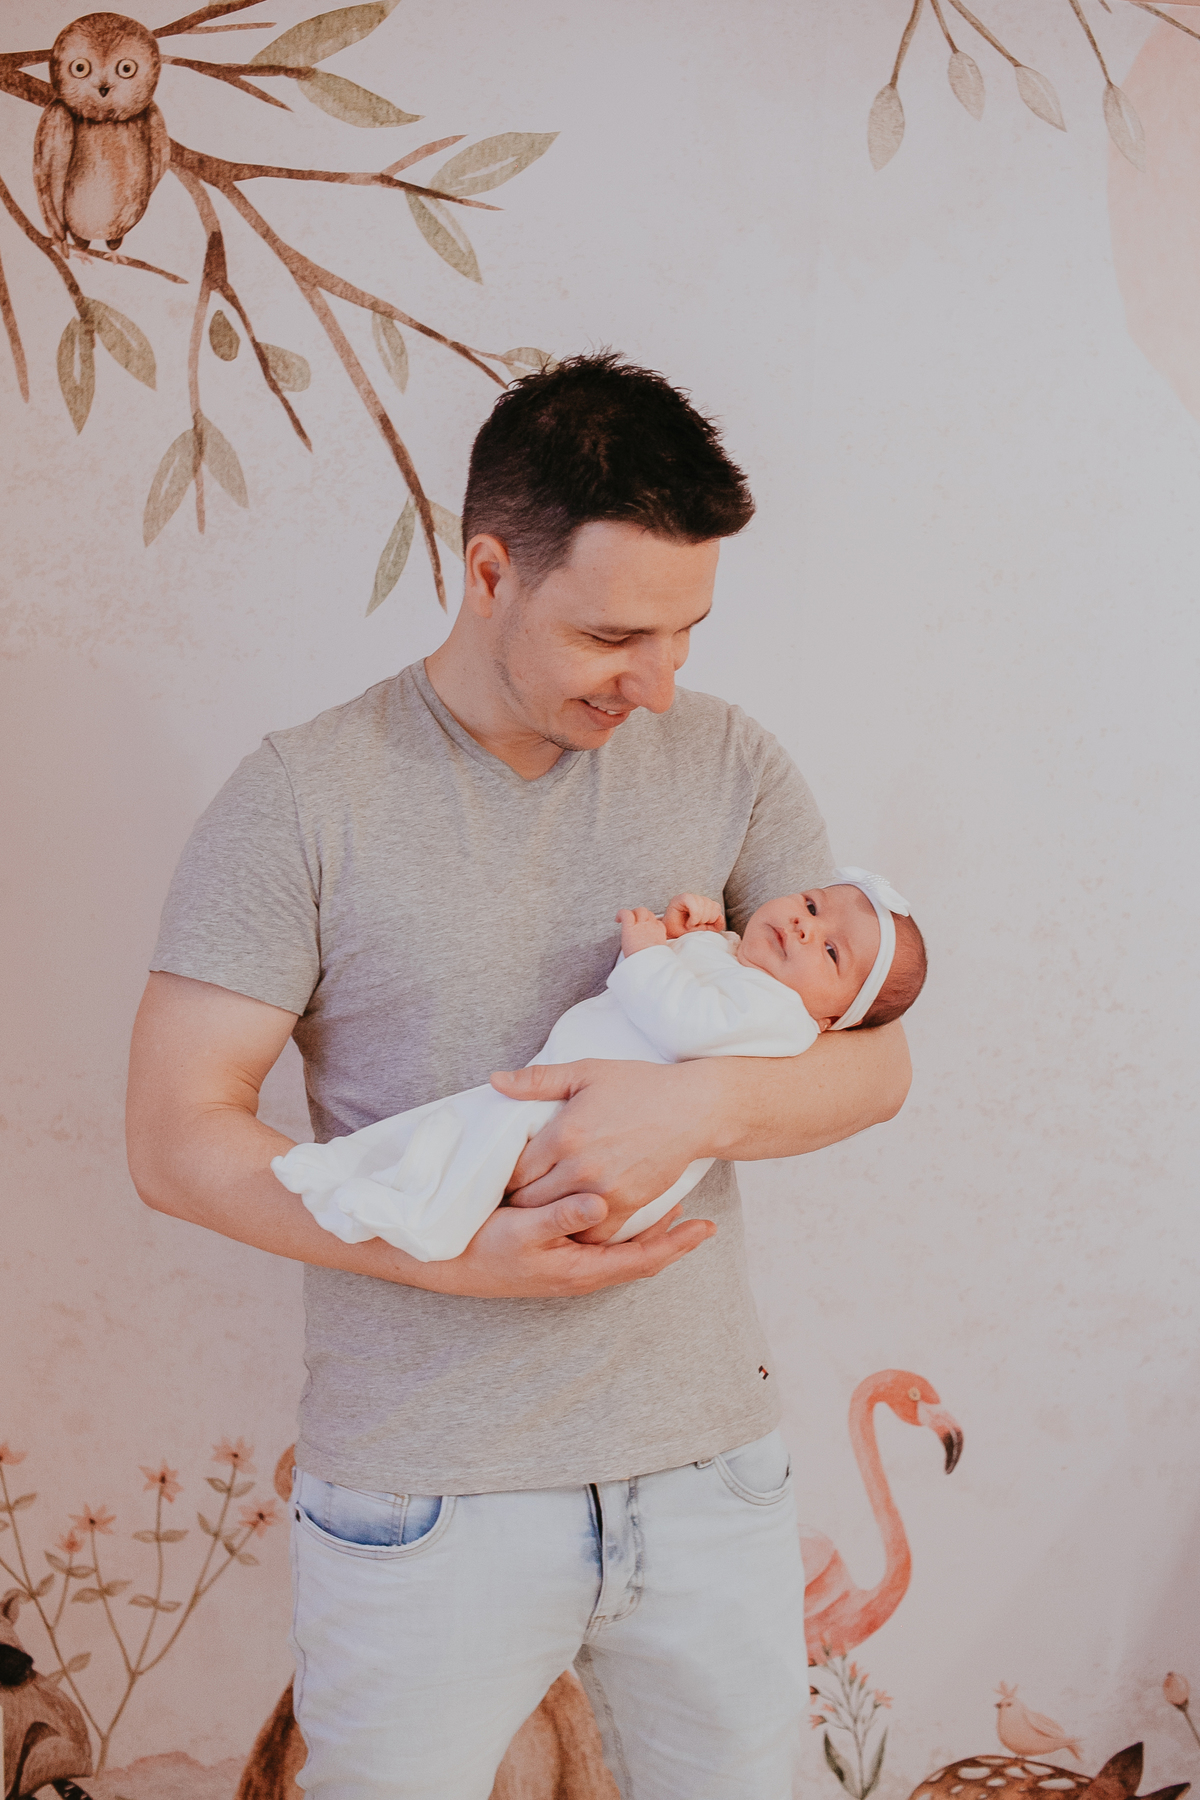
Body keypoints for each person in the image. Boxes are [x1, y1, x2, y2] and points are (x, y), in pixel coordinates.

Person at [125, 353, 913, 1800]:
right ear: (489, 571)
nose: (659, 686)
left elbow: (876, 1066)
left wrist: (694, 1107)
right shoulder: (300, 800)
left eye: (686, 633)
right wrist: (451, 1261)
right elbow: (176, 1138)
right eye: (614, 636)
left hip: (709, 1474)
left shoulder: (729, 762)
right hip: (424, 1497)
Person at [271, 875, 926, 1263]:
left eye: (832, 953)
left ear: (832, 1020)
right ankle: (355, 1172)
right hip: (566, 1098)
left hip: (591, 1137)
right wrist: (696, 932)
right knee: (456, 1126)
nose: (806, 927)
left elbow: (688, 1021)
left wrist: (647, 952)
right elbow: (707, 973)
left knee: (477, 1144)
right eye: (811, 904)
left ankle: (415, 1216)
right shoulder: (748, 966)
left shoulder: (784, 1016)